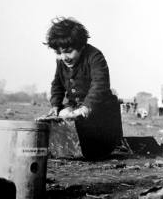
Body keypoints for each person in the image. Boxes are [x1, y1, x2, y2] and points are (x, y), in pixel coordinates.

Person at [43, 17, 123, 160]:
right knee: (63, 114)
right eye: (59, 53)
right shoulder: (61, 62)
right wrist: (55, 105)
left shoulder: (94, 56)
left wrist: (86, 108)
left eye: (68, 51)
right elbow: (57, 84)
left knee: (91, 140)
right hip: (76, 106)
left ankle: (90, 146)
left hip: (101, 109)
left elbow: (100, 84)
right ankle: (68, 147)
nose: (64, 57)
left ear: (81, 46)